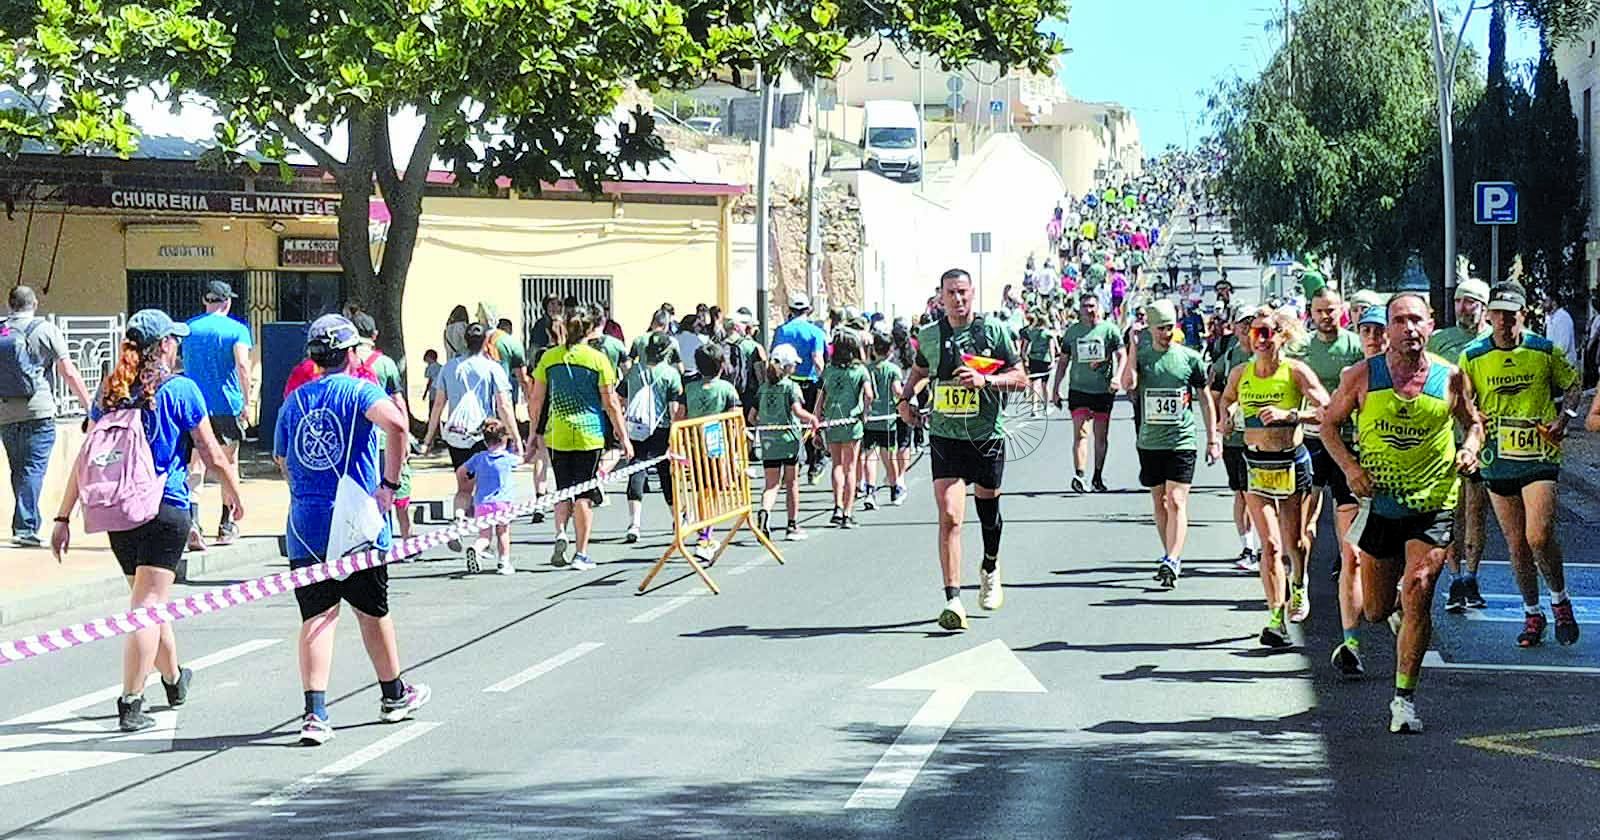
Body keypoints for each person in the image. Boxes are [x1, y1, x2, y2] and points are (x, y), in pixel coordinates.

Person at [50, 309, 242, 732]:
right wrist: (232, 492)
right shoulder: (182, 389)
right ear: (166, 345)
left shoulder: (110, 391)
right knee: (148, 606)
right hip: (165, 508)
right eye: (175, 340)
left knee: (149, 601)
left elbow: (85, 457)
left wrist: (63, 516)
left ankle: (174, 680)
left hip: (119, 511)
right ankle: (131, 701)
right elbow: (210, 451)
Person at [1321, 293, 1482, 733]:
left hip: (1433, 502)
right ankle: (1398, 612)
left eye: (1417, 320)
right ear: (1387, 329)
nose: (1409, 328)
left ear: (1430, 325)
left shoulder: (1451, 377)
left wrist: (1469, 448)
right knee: (1375, 609)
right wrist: (1351, 468)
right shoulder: (1361, 376)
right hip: (1381, 503)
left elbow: (1474, 422)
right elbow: (1329, 425)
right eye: (1399, 321)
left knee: (1419, 586)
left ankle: (1404, 701)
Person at [272, 314, 428, 746]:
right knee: (372, 611)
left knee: (317, 617)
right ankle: (393, 695)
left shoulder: (293, 402)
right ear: (351, 353)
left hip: (306, 525)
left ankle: (315, 713)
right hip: (355, 524)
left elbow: (283, 459)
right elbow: (397, 424)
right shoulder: (360, 390)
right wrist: (389, 484)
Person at [899, 269, 1026, 631]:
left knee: (988, 513)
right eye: (951, 293)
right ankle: (953, 599)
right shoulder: (930, 335)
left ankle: (990, 565)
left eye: (963, 292)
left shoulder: (993, 331)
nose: (958, 299)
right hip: (946, 436)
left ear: (973, 293)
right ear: (940, 297)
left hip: (985, 435)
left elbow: (1020, 378)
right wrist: (905, 400)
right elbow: (919, 369)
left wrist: (986, 380)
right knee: (951, 516)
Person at [1460, 282, 1584, 647]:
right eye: (1497, 314)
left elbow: (1573, 385)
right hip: (1497, 458)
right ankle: (1533, 613)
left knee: (1538, 535)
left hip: (1539, 454)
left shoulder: (1542, 350)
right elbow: (1461, 400)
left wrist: (1564, 419)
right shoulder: (1473, 355)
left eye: (1511, 315)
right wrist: (1473, 416)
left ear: (1523, 315)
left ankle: (1560, 601)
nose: (1504, 322)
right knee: (1516, 545)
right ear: (1489, 316)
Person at [1220, 306, 1331, 648]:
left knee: (1293, 542)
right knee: (1269, 545)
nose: (1261, 339)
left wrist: (1291, 415)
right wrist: (1226, 417)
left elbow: (1327, 410)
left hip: (1290, 462)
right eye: (1255, 332)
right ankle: (1276, 619)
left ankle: (1299, 581)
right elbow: (1227, 398)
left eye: (1267, 332)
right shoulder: (1241, 373)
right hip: (1255, 464)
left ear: (1281, 336)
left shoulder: (1295, 372)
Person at [1121, 300, 1218, 588]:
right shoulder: (1143, 357)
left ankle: (1173, 559)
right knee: (1160, 501)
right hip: (1150, 441)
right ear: (1150, 329)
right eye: (1161, 328)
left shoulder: (1190, 358)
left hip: (1182, 440)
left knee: (1176, 500)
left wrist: (1213, 439)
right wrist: (1132, 347)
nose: (1166, 333)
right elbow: (1128, 384)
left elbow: (1205, 399)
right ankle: (1170, 554)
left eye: (1169, 327)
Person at [526, 304, 631, 571]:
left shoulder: (549, 358)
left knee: (563, 488)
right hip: (589, 433)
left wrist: (533, 433)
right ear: (590, 329)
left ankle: (561, 531)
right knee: (584, 493)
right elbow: (611, 403)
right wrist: (623, 437)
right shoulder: (597, 360)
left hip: (557, 432)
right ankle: (581, 553)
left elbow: (536, 399)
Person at [0, 285, 92, 547]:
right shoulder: (45, 329)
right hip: (39, 410)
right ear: (35, 304)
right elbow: (68, 372)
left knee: (19, 470)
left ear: (9, 305)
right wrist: (89, 406)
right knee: (33, 469)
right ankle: (25, 528)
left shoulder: (2, 330)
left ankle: (25, 522)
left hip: (6, 412)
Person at [422, 323, 519, 553]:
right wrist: (515, 436)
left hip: (456, 435)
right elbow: (504, 405)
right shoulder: (492, 368)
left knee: (463, 487)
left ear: (465, 341)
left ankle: (459, 519)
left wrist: (428, 438)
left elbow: (438, 404)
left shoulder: (449, 368)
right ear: (485, 341)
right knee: (486, 488)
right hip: (484, 434)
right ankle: (483, 541)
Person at [1427, 276, 1492, 612]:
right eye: (1458, 301)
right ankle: (1454, 579)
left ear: (1484, 307)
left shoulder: (1493, 340)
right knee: (1451, 511)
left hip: (1481, 438)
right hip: (1446, 437)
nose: (1462, 308)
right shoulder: (1440, 340)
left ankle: (1471, 576)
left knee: (1476, 510)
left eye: (1470, 302)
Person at [181, 280, 253, 550]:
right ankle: (226, 524)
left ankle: (193, 522)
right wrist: (247, 401)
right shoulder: (237, 330)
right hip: (226, 405)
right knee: (228, 463)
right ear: (227, 302)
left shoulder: (188, 328)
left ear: (205, 301)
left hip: (194, 405)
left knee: (195, 464)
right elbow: (243, 365)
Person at [1299, 289, 1364, 587]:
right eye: (1319, 311)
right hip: (1310, 439)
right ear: (1311, 313)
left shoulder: (1355, 346)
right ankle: (1299, 575)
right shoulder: (1300, 347)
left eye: (1331, 310)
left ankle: (1347, 568)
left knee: (1347, 510)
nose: (1325, 316)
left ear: (1342, 311)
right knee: (1306, 511)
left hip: (1346, 441)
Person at [1053, 294, 1123, 493]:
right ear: (1079, 308)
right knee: (1080, 433)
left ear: (1098, 307)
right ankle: (1080, 475)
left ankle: (1097, 477)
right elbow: (1063, 362)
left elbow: (1122, 355)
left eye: (1092, 306)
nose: (1089, 310)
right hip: (1078, 389)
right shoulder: (1072, 332)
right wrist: (1055, 389)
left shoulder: (1109, 330)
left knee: (1100, 436)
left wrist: (1117, 377)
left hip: (1103, 390)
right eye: (1085, 306)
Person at [621, 333, 685, 543]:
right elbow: (674, 408)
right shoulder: (670, 374)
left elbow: (621, 395)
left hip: (636, 426)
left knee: (636, 469)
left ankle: (634, 523)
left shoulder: (634, 371)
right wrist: (676, 434)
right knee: (666, 474)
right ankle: (677, 519)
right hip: (661, 427)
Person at [1210, 303, 1260, 572]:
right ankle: (1248, 546)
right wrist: (1220, 425)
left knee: (1263, 493)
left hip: (1266, 437)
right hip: (1235, 439)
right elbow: (1214, 393)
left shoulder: (1271, 354)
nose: (1248, 328)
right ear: (1235, 327)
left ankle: (1269, 545)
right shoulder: (1228, 359)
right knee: (1242, 491)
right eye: (1243, 323)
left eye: (1253, 323)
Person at [752, 344, 819, 540]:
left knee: (771, 484)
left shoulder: (763, 389)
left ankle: (764, 511)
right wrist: (813, 419)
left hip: (768, 442)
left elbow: (752, 416)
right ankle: (792, 525)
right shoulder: (791, 387)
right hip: (789, 440)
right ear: (787, 366)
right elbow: (797, 411)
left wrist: (764, 424)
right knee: (792, 482)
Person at [772, 294, 829, 484]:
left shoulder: (782, 330)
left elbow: (775, 358)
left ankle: (791, 466)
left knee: (789, 424)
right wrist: (825, 382)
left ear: (790, 310)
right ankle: (814, 463)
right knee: (812, 422)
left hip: (788, 382)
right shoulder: (816, 332)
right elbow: (817, 360)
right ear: (808, 310)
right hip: (810, 383)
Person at [818, 330, 872, 528]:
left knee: (837, 465)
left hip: (833, 420)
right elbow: (869, 394)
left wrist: (818, 419)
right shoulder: (860, 371)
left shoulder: (828, 371)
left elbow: (820, 397)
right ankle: (848, 512)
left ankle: (837, 506)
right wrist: (865, 412)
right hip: (851, 421)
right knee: (850, 467)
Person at [458, 418, 519, 575]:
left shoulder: (479, 457)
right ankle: (504, 562)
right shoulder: (507, 458)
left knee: (485, 535)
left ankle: (476, 548)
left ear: (485, 441)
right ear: (504, 439)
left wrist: (465, 480)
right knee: (503, 532)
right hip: (502, 502)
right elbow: (523, 460)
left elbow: (462, 470)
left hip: (482, 503)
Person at [862, 332, 907, 509]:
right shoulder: (893, 370)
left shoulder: (867, 369)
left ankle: (870, 492)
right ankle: (895, 489)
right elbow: (897, 391)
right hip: (887, 419)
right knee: (889, 456)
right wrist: (905, 400)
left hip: (870, 418)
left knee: (870, 456)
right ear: (890, 350)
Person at [1543, 290, 1577, 369]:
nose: (1543, 304)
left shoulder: (1563, 317)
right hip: (1555, 364)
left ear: (1554, 303)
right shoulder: (1550, 318)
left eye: (1546, 301)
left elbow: (1563, 346)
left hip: (1565, 366)